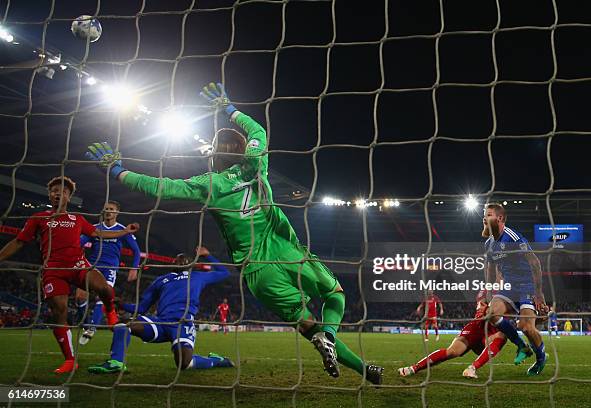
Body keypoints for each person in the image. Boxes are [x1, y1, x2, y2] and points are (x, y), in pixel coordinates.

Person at [84, 82, 383, 384]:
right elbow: (259, 133)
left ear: (214, 156)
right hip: (287, 250)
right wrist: (229, 109)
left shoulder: (209, 184)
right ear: (242, 152)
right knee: (335, 295)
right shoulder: (255, 165)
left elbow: (159, 186)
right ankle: (338, 343)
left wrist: (117, 171)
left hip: (257, 270)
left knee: (309, 327)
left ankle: (360, 366)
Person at [0, 176, 138, 373]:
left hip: (79, 265)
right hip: (53, 271)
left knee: (104, 288)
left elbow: (98, 234)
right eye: (54, 190)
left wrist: (124, 231)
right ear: (50, 194)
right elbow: (19, 241)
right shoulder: (38, 218)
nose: (58, 193)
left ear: (69, 196)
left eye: (63, 191)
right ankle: (70, 359)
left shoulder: (77, 219)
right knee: (60, 311)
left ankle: (110, 312)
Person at [88, 246, 233, 373]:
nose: (181, 260)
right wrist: (121, 304)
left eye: (185, 259)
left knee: (184, 364)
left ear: (191, 264)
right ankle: (116, 363)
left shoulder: (198, 276)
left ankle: (216, 360)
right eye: (178, 258)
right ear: (173, 263)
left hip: (183, 324)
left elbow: (224, 272)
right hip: (161, 323)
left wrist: (207, 255)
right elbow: (142, 308)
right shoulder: (161, 280)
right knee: (124, 324)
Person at [482, 203, 548, 376]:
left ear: (500, 218)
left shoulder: (512, 237)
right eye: (484, 215)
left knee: (526, 328)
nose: (484, 218)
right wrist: (489, 292)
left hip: (526, 286)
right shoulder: (489, 244)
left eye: (488, 215)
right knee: (492, 313)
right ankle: (522, 346)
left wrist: (539, 294)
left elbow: (535, 262)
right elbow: (489, 269)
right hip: (509, 287)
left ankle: (541, 358)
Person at [399, 291, 506, 379]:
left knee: (502, 335)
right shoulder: (488, 291)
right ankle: (414, 368)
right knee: (452, 352)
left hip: (489, 333)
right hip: (476, 328)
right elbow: (481, 309)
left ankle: (472, 368)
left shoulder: (506, 292)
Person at [77, 200, 141, 345]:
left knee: (103, 296)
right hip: (92, 266)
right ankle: (86, 325)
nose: (108, 211)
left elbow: (136, 251)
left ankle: (92, 328)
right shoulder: (94, 228)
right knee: (80, 297)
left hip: (110, 268)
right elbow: (79, 243)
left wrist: (134, 268)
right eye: (106, 209)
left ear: (117, 212)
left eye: (111, 209)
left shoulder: (123, 230)